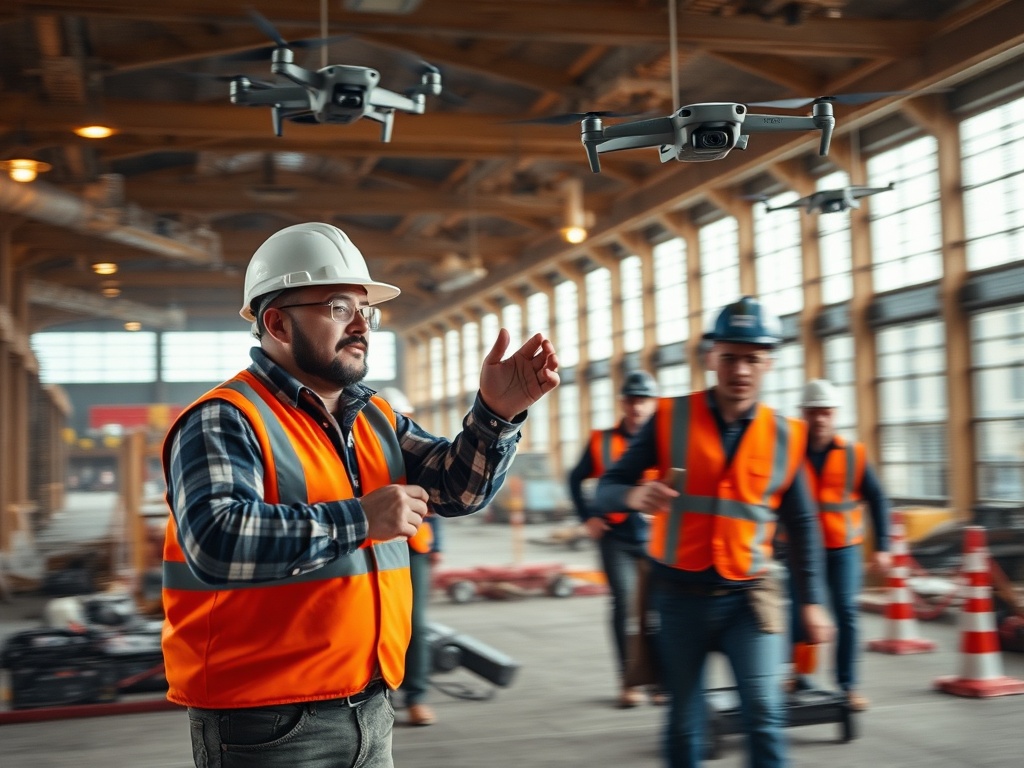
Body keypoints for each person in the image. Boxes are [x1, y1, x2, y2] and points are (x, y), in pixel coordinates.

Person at [160, 221, 559, 768]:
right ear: (277, 323)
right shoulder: (225, 418)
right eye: (339, 308)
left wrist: (496, 414)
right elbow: (217, 540)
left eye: (366, 312)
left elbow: (456, 489)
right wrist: (360, 520)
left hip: (369, 705)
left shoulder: (373, 415)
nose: (361, 326)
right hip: (265, 720)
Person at [596, 296, 834, 768]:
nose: (740, 370)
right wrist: (633, 496)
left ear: (768, 363)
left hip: (750, 598)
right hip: (678, 599)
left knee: (764, 712)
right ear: (711, 357)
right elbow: (607, 488)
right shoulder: (670, 419)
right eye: (729, 357)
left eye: (752, 359)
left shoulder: (786, 436)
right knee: (685, 723)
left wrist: (811, 600)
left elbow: (803, 523)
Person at [790, 378, 890, 711]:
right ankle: (800, 675)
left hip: (844, 547)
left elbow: (877, 498)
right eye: (813, 412)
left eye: (826, 412)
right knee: (801, 613)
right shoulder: (789, 454)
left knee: (846, 612)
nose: (820, 418)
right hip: (801, 550)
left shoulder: (853, 454)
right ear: (803, 414)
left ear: (835, 414)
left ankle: (848, 686)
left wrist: (882, 546)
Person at [568, 370, 661, 708]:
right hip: (615, 537)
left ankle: (659, 682)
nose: (637, 407)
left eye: (644, 400)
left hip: (655, 536)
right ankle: (629, 681)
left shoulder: (665, 439)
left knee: (658, 608)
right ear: (623, 403)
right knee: (625, 605)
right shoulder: (601, 441)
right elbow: (575, 478)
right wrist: (588, 518)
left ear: (653, 403)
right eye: (632, 400)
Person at [379, 386, 444, 728]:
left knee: (416, 623)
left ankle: (416, 696)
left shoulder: (418, 451)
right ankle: (380, 698)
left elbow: (437, 501)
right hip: (375, 543)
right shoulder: (359, 449)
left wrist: (437, 546)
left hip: (415, 545)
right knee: (378, 620)